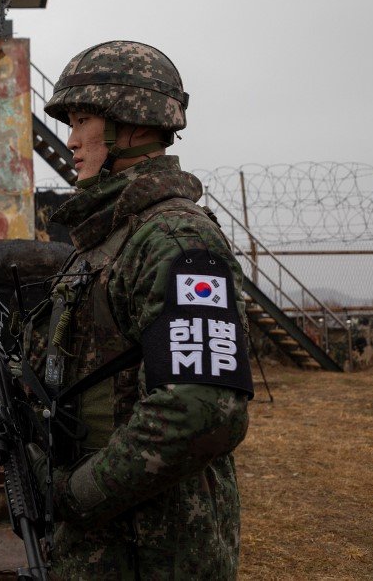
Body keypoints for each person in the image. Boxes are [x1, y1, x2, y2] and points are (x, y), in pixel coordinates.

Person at [27, 41, 254, 579]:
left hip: (152, 546)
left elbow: (202, 411)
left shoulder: (174, 239)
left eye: (83, 120)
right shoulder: (110, 235)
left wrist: (76, 495)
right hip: (103, 541)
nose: (72, 139)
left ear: (130, 126)